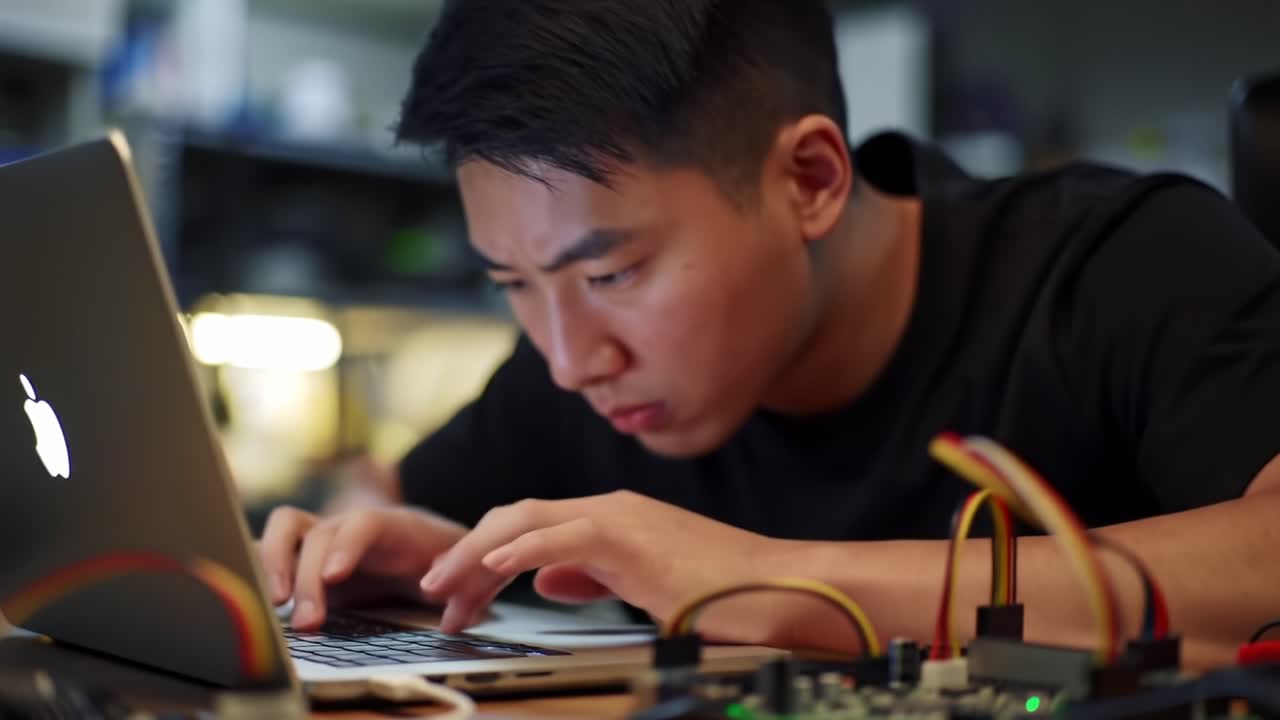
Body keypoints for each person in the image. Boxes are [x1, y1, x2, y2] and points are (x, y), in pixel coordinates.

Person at [257, 0, 1280, 668]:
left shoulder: (1121, 264)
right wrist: (361, 542)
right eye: (512, 283)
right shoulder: (579, 370)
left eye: (612, 272)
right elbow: (385, 492)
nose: (571, 360)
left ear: (809, 180)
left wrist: (771, 584)